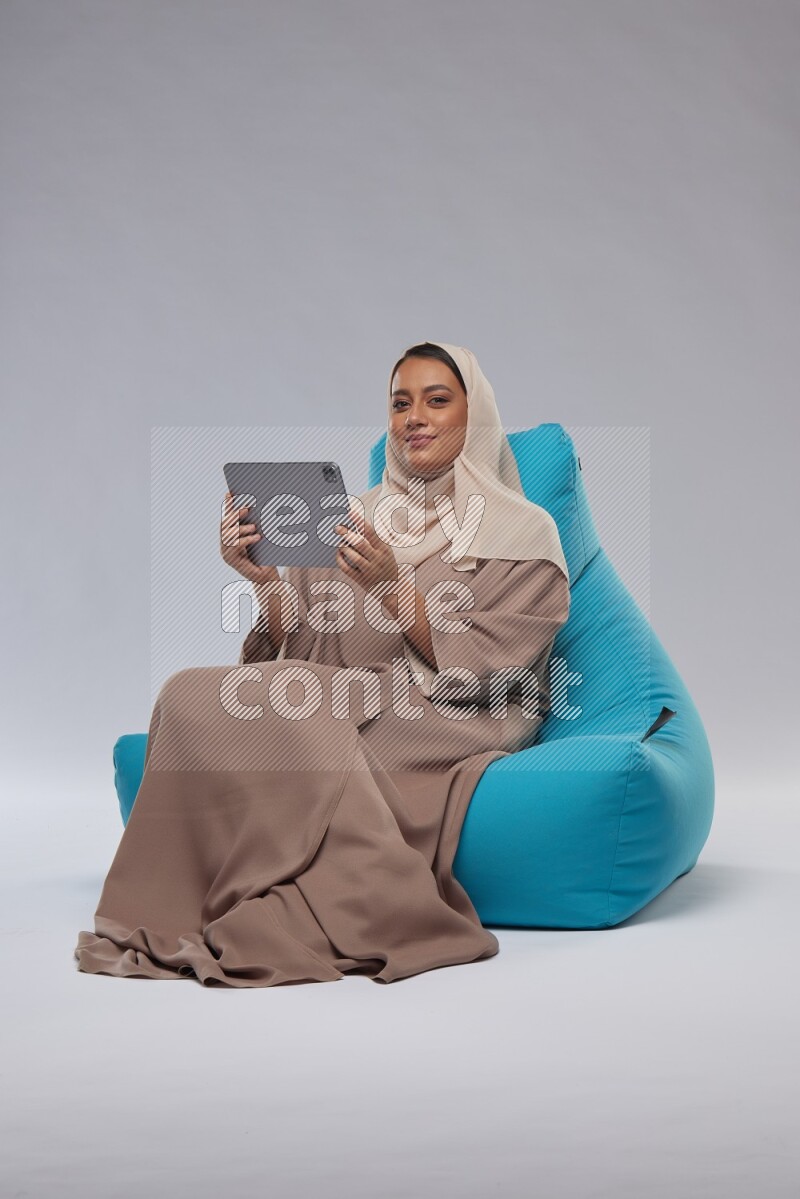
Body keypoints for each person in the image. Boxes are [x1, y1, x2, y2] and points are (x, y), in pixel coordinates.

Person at [74, 340, 571, 987]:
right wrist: (263, 580)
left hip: (453, 711)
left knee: (300, 701)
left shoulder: (522, 531)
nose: (414, 416)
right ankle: (175, 894)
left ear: (475, 415)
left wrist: (395, 587)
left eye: (436, 399)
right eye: (400, 402)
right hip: (339, 695)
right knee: (188, 693)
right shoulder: (353, 519)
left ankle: (344, 894)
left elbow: (492, 666)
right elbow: (298, 650)